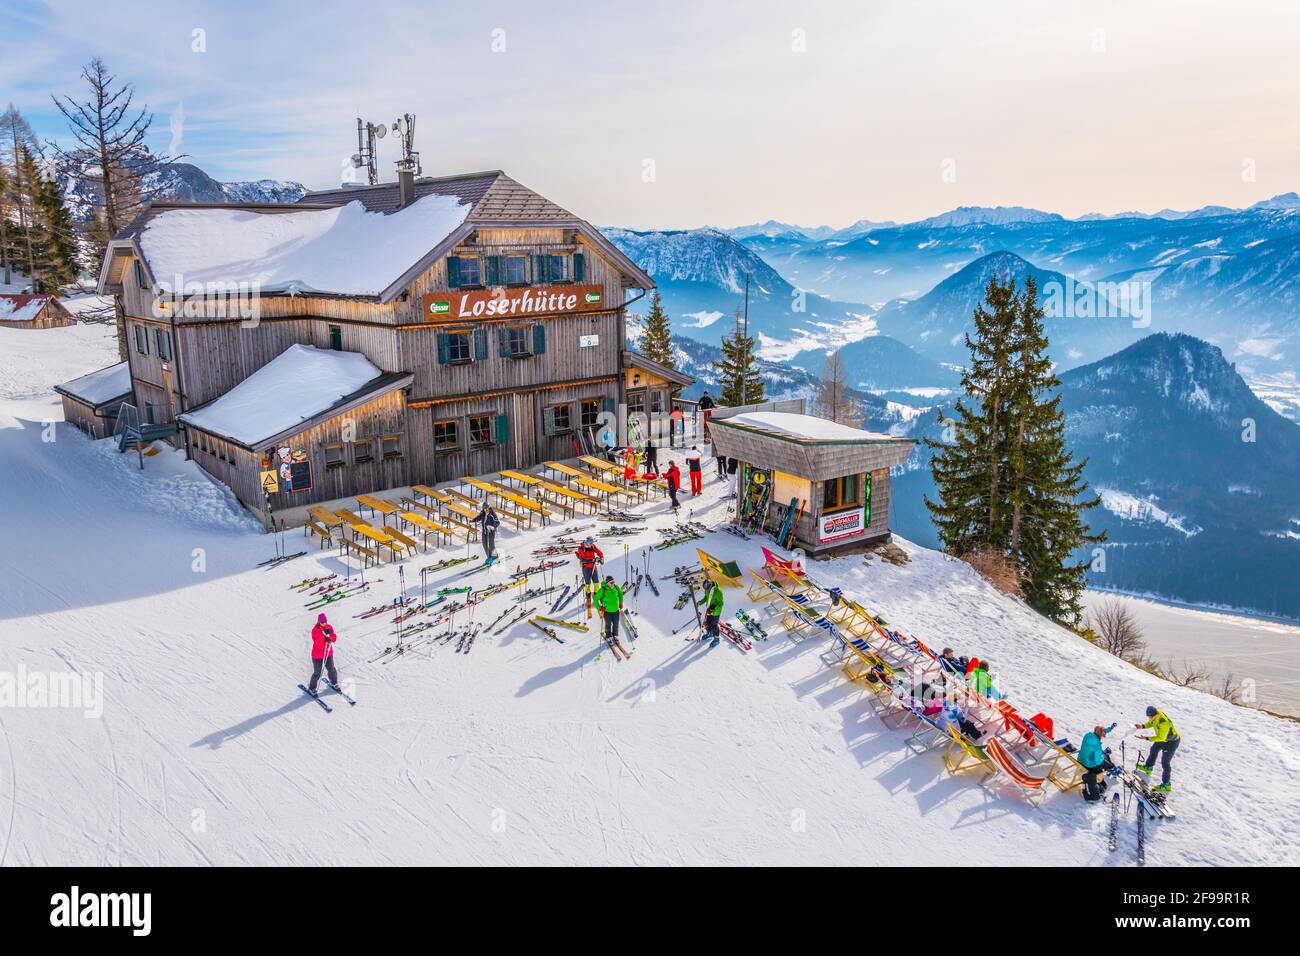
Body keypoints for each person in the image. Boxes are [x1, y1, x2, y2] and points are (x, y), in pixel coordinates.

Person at [1134, 706, 1180, 792]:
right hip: (1164, 739)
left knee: (1165, 762)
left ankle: (1167, 784)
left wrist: (1147, 738)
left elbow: (1161, 738)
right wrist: (1142, 726)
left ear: (1155, 715)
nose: (1149, 718)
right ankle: (1148, 767)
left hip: (1171, 743)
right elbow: (1152, 723)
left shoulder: (1164, 722)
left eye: (1150, 717)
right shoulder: (1156, 716)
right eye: (1149, 717)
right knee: (1154, 749)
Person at [1078, 723, 1117, 802]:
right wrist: (1103, 754)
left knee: (1103, 761)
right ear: (1100, 735)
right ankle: (1111, 770)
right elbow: (1097, 761)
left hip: (1080, 759)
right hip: (1087, 764)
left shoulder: (1088, 736)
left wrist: (1110, 728)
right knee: (1102, 764)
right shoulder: (1097, 746)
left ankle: (1102, 779)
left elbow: (1101, 730)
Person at [308, 613, 339, 695]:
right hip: (317, 655)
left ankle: (334, 682)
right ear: (319, 622)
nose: (324, 623)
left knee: (331, 669)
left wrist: (330, 639)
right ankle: (312, 688)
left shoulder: (329, 627)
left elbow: (334, 637)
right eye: (322, 622)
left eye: (325, 621)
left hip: (328, 653)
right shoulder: (315, 630)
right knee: (317, 673)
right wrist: (324, 635)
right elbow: (316, 639)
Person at [594, 574, 624, 644]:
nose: (613, 584)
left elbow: (621, 594)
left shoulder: (616, 587)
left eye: (613, 582)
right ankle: (608, 636)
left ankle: (615, 635)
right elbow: (595, 599)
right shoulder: (603, 590)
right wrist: (599, 608)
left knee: (616, 624)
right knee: (608, 625)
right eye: (611, 582)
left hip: (616, 610)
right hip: (607, 611)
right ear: (607, 583)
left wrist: (621, 603)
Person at [576, 536, 604, 607]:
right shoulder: (581, 548)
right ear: (586, 541)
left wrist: (601, 557)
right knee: (588, 583)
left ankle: (595, 596)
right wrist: (592, 559)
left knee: (596, 582)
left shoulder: (592, 546)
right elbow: (583, 557)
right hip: (586, 568)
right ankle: (588, 597)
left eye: (592, 542)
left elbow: (599, 552)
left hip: (593, 567)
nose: (590, 543)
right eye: (589, 542)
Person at [702, 579, 724, 647]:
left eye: (708, 589)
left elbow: (720, 604)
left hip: (716, 612)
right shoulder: (707, 589)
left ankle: (716, 639)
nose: (707, 591)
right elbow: (706, 597)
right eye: (706, 589)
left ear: (711, 586)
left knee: (714, 625)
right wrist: (700, 602)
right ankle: (710, 633)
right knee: (707, 622)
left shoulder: (718, 591)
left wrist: (713, 610)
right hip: (709, 609)